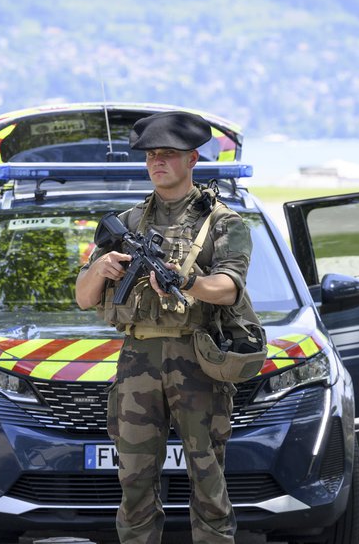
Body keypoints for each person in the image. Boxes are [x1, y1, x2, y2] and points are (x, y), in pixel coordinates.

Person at [75, 111, 252, 544]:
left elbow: (228, 288)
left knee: (207, 480)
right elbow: (83, 297)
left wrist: (187, 280)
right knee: (134, 482)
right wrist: (100, 266)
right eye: (152, 155)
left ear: (192, 159)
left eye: (168, 155)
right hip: (138, 362)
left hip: (198, 360)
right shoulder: (127, 223)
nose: (157, 162)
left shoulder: (223, 223)